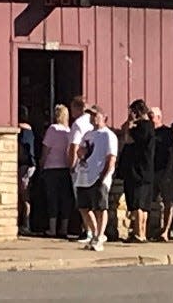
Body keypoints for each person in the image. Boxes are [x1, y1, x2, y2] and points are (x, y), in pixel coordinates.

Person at [75, 106, 119, 252]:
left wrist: (104, 175)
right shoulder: (88, 134)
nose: (93, 118)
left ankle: (100, 234)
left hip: (99, 176)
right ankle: (95, 233)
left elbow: (111, 157)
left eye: (96, 115)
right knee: (83, 207)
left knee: (100, 207)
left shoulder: (108, 135)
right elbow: (81, 151)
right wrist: (81, 154)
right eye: (91, 115)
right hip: (84, 175)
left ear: (104, 117)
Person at [120, 99, 155, 243]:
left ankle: (137, 232)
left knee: (137, 203)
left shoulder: (140, 128)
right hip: (148, 169)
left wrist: (129, 126)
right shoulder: (151, 127)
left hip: (137, 169)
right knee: (145, 204)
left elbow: (127, 139)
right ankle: (143, 232)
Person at [40, 104, 73, 239]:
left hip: (51, 168)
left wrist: (41, 163)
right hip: (65, 168)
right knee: (65, 198)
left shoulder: (52, 129)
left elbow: (46, 149)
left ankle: (52, 228)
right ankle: (64, 228)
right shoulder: (68, 131)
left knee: (52, 198)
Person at [67, 96, 95, 242]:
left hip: (81, 166)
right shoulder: (92, 123)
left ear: (77, 108)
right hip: (94, 165)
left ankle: (88, 230)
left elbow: (74, 146)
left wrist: (71, 165)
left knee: (82, 200)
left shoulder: (78, 124)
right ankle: (92, 230)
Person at [150, 106, 173, 241]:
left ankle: (166, 230)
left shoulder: (167, 133)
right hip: (150, 171)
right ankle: (150, 229)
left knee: (168, 201)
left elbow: (171, 153)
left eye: (152, 117)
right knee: (149, 202)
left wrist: (167, 172)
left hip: (165, 171)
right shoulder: (147, 132)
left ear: (159, 118)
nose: (150, 119)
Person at [17, 106, 37, 236]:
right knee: (25, 195)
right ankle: (25, 223)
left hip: (25, 165)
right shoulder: (30, 131)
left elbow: (22, 150)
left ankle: (25, 224)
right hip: (30, 165)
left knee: (23, 196)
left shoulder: (22, 130)